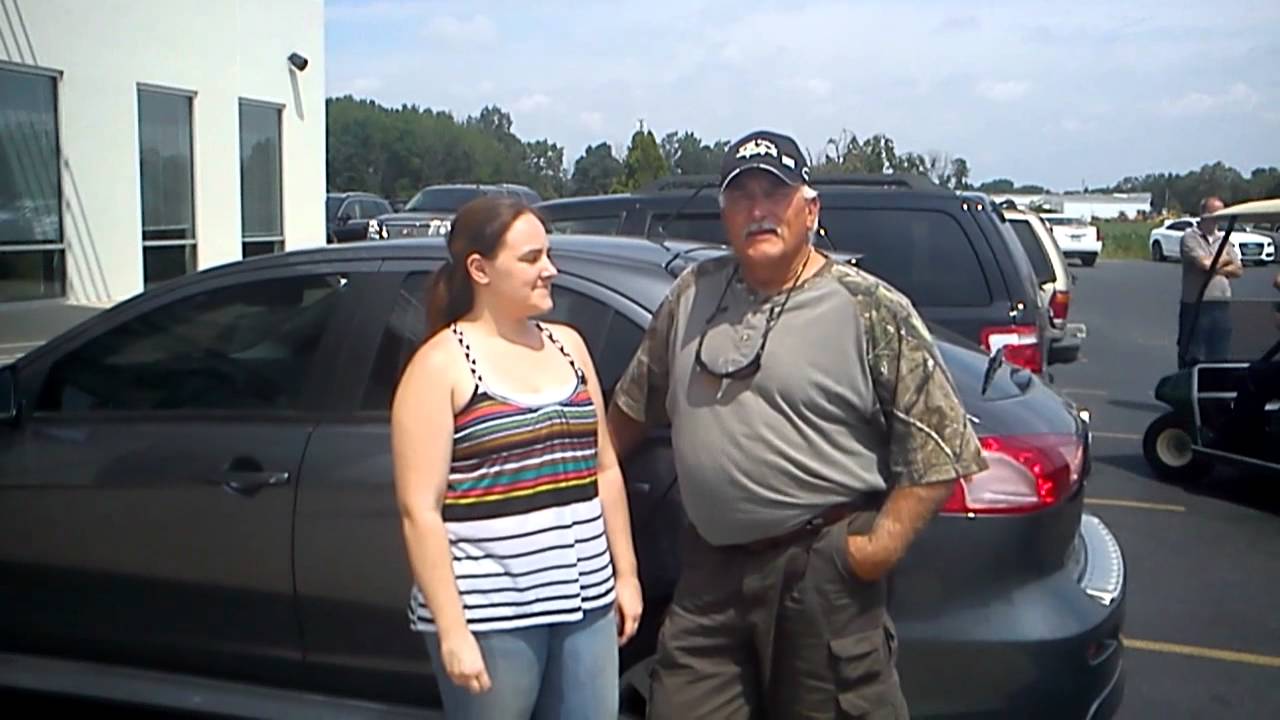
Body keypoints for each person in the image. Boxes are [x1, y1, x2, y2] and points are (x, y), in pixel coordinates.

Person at [606, 130, 988, 719]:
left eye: (774, 194)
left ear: (809, 210)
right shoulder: (693, 295)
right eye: (742, 196)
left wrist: (873, 550)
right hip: (709, 574)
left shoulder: (868, 307)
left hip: (821, 577)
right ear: (724, 214)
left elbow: (940, 448)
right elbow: (630, 411)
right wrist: (574, 483)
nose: (758, 210)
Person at [390, 196, 643, 719]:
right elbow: (420, 511)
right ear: (479, 269)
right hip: (492, 617)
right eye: (531, 258)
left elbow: (604, 469)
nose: (549, 269)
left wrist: (626, 574)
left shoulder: (568, 346)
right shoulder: (441, 365)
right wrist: (453, 630)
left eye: (548, 255)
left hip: (587, 604)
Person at [1177, 196, 1243, 367]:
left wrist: (1216, 268)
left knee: (1220, 352)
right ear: (1205, 214)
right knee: (1193, 353)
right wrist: (1225, 258)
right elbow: (1206, 265)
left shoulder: (1224, 240)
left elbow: (1238, 270)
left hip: (1221, 304)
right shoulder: (1190, 238)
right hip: (1197, 304)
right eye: (1217, 213)